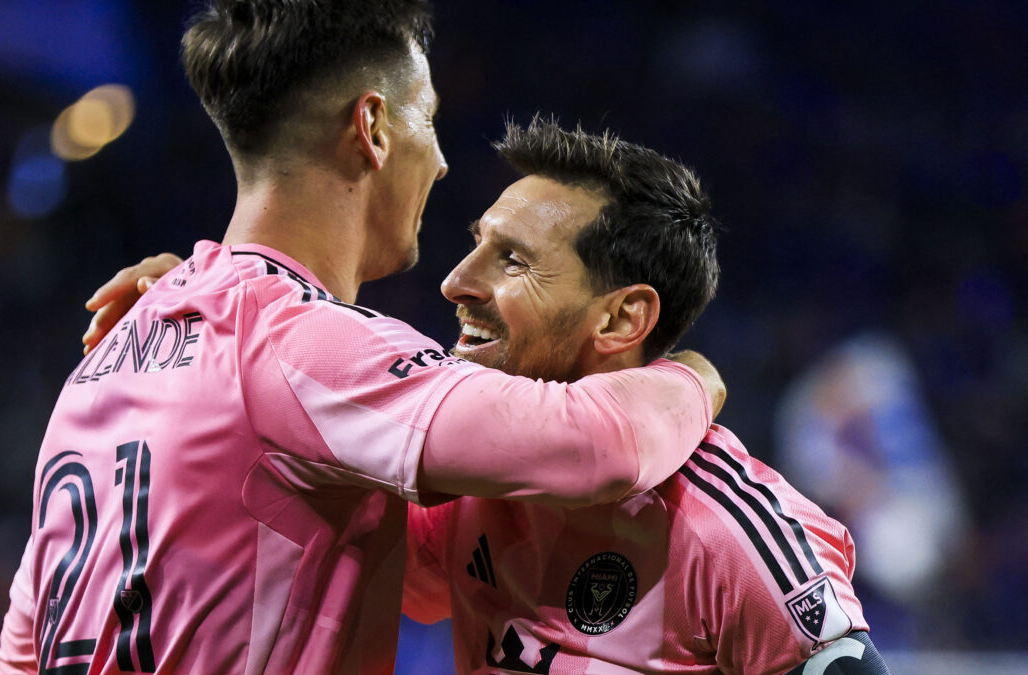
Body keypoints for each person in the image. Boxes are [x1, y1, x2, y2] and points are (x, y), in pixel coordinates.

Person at [0, 2, 719, 673]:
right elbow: (598, 445)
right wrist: (695, 373)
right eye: (427, 120)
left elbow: (22, 651)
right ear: (372, 127)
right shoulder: (305, 346)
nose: (437, 160)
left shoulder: (114, 351)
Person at [95, 118, 891, 674]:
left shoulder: (727, 530)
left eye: (510, 259)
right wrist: (207, 310)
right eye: (475, 242)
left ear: (622, 316)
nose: (455, 282)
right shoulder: (468, 490)